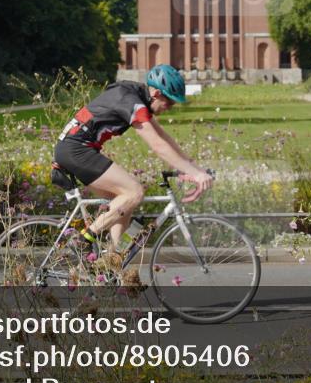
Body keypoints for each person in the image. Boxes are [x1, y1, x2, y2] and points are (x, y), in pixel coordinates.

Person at [53, 64, 212, 253]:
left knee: (123, 202)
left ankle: (112, 261)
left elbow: (164, 137)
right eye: (169, 102)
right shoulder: (131, 101)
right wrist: (193, 173)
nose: (169, 108)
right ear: (156, 93)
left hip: (75, 149)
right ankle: (83, 239)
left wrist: (192, 167)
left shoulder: (137, 96)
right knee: (134, 192)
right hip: (76, 150)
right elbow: (157, 145)